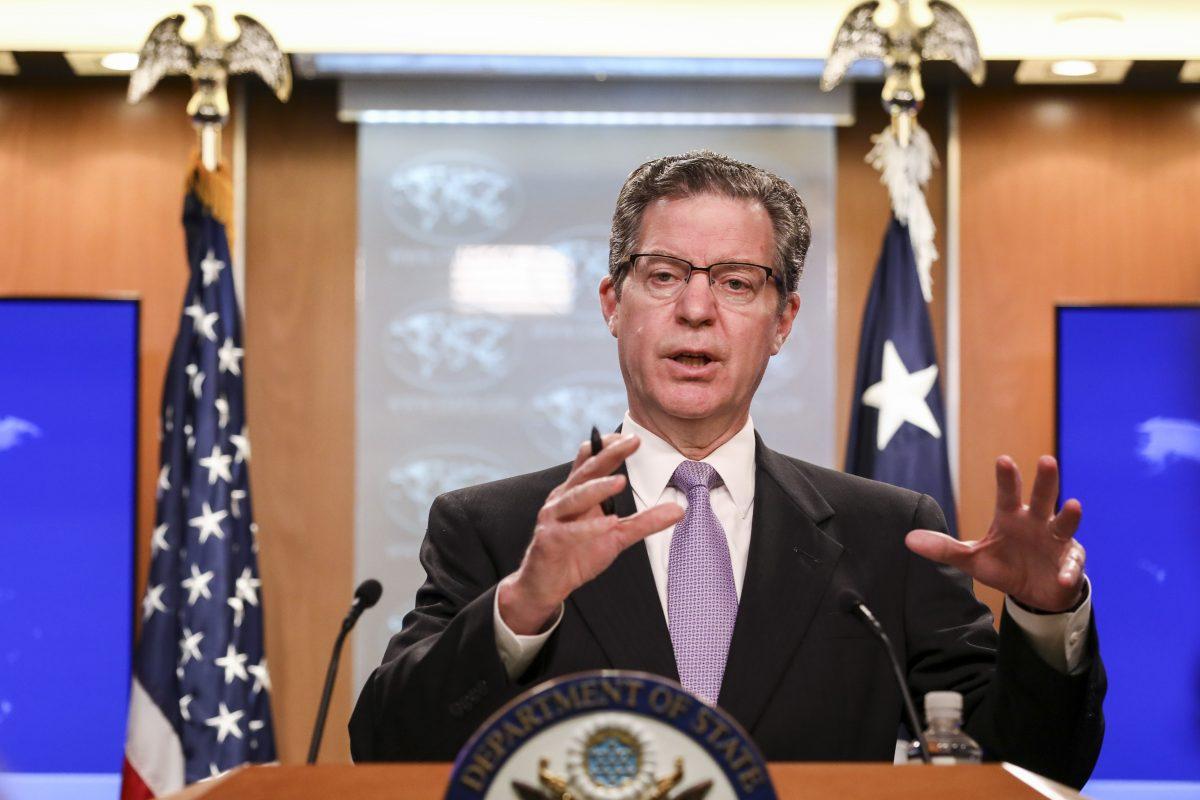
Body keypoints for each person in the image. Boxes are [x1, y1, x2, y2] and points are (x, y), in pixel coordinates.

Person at [349, 151, 1104, 787]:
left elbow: (1026, 772)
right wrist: (521, 607)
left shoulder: (890, 536)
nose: (698, 309)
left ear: (782, 322)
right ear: (614, 303)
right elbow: (385, 750)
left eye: (738, 281)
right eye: (665, 274)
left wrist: (1043, 621)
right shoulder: (494, 530)